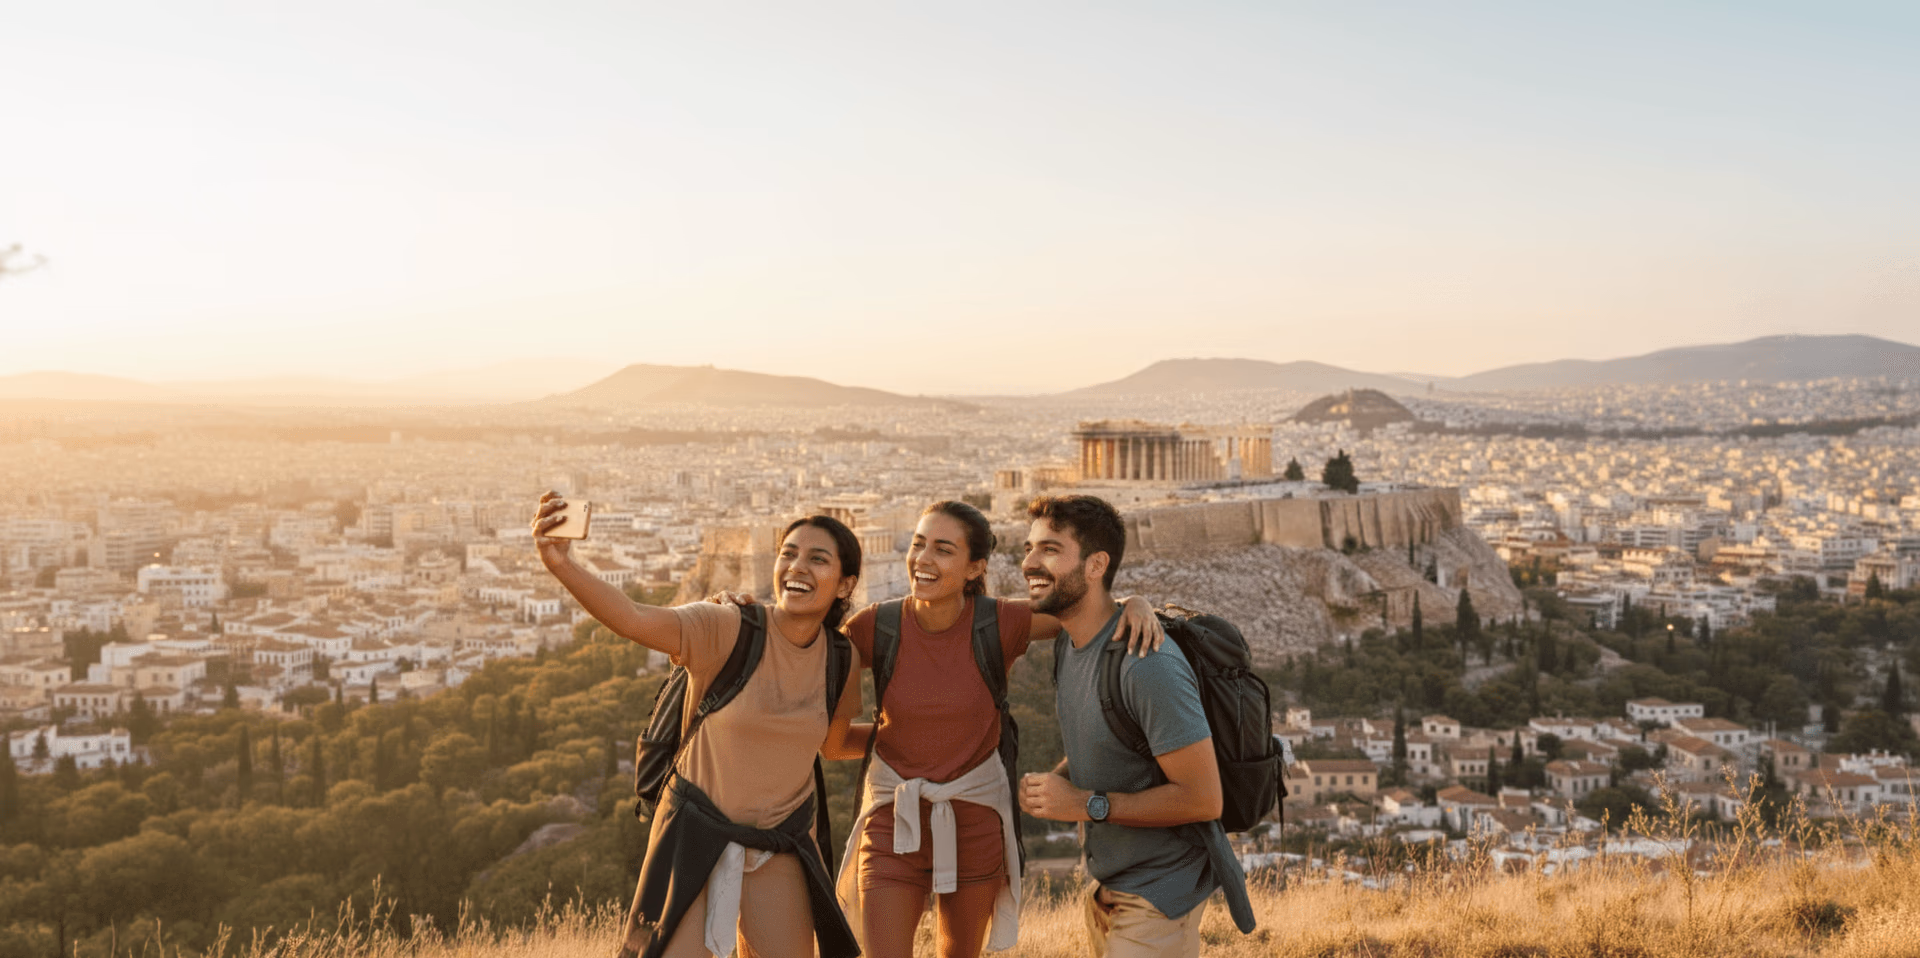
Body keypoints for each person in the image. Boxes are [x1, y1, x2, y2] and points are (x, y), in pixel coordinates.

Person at [711, 499, 1163, 958]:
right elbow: (806, 670)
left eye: (943, 550)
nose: (922, 559)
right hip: (892, 819)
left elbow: (1083, 610)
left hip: (975, 821)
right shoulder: (876, 627)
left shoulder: (999, 623)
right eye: (918, 544)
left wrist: (1134, 603)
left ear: (974, 568)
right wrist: (739, 614)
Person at [532, 491, 863, 958]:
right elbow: (632, 619)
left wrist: (928, 737)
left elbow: (833, 745)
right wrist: (561, 564)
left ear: (845, 585)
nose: (796, 567)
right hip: (694, 832)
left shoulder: (840, 660)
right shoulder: (729, 627)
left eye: (817, 559)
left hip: (780, 841)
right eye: (788, 553)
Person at [1015, 494, 1251, 958]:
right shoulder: (1070, 641)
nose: (1028, 563)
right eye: (1028, 548)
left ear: (1095, 564)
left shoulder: (1147, 664)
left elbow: (1204, 798)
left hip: (1160, 892)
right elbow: (1121, 740)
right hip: (1111, 888)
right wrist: (1058, 783)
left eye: (1049, 549)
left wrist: (1084, 803)